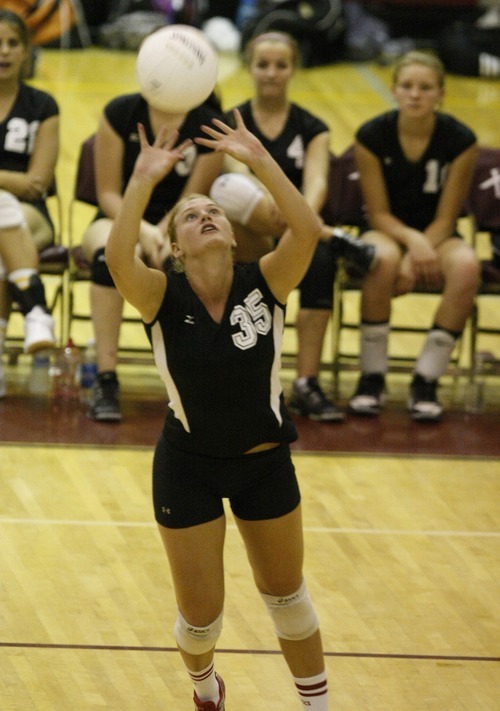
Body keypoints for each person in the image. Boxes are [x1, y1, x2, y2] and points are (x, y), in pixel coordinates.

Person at [105, 111, 330, 710]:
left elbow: (307, 232)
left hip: (264, 463)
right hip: (189, 467)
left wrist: (260, 160)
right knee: (202, 619)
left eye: (215, 213)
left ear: (231, 236)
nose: (206, 215)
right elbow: (117, 259)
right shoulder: (158, 293)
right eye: (192, 216)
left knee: (288, 597)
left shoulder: (268, 283)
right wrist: (143, 183)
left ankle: (318, 705)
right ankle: (204, 685)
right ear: (176, 247)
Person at [209, 31, 375, 422]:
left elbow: (317, 182)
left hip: (297, 232)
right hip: (249, 233)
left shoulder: (312, 126)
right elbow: (234, 172)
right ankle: (335, 237)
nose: (271, 73)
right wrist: (280, 209)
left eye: (280, 65)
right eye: (263, 65)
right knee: (227, 189)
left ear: (294, 70)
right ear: (249, 68)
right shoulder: (231, 120)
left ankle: (306, 383)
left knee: (316, 260)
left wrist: (297, 216)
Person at [348, 50, 480, 422]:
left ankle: (426, 381)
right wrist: (411, 244)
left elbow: (447, 216)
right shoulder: (371, 135)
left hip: (438, 233)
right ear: (394, 91)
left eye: (425, 88)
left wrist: (420, 248)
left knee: (467, 266)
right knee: (382, 260)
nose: (415, 95)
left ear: (441, 93)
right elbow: (377, 213)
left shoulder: (461, 140)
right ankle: (371, 378)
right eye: (407, 86)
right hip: (385, 230)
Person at [80, 88, 224, 422]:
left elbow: (193, 199)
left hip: (179, 223)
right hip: (117, 217)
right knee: (107, 260)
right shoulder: (120, 111)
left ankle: (193, 381)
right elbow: (107, 194)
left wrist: (162, 233)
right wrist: (143, 230)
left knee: (187, 266)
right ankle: (106, 380)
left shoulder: (210, 123)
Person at [0, 9, 59, 397]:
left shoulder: (42, 106)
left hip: (31, 217)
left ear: (26, 51)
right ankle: (36, 311)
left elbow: (37, 184)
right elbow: (23, 180)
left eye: (11, 43)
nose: (3, 51)